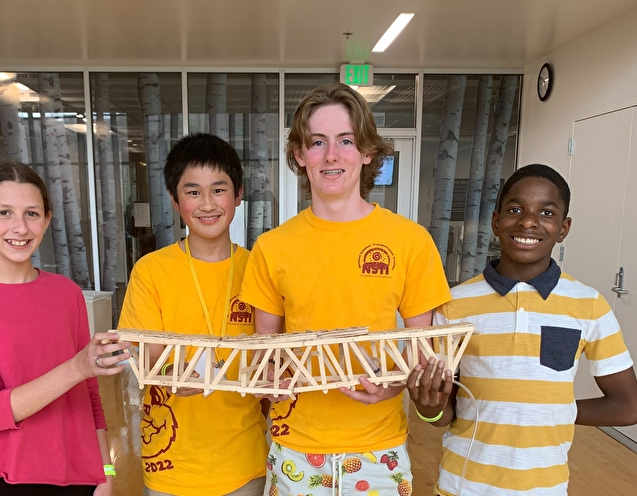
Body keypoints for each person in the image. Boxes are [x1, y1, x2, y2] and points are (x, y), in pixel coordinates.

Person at [239, 82, 452, 496]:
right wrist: (266, 378)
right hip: (295, 448)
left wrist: (395, 383)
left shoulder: (410, 241)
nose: (331, 155)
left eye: (346, 141)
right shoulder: (272, 247)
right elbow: (264, 350)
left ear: (367, 152)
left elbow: (422, 347)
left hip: (379, 450)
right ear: (300, 156)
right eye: (317, 142)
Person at [407, 163, 637, 496]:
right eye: (515, 209)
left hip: (545, 488)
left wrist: (554, 409)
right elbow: (445, 412)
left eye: (546, 212)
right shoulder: (453, 304)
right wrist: (429, 409)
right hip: (462, 486)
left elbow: (627, 406)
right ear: (496, 221)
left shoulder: (589, 305)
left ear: (563, 228)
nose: (528, 221)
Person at [0, 158, 130, 496]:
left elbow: (89, 395)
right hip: (1, 477)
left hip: (77, 473)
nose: (20, 228)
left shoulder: (65, 292)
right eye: (3, 213)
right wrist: (77, 367)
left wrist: (105, 469)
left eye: (32, 214)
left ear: (47, 219)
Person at [118, 133, 269, 496]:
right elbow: (138, 351)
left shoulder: (259, 268)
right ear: (174, 198)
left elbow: (274, 352)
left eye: (219, 189)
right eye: (193, 191)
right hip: (171, 465)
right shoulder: (151, 270)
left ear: (238, 194)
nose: (207, 204)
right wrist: (170, 372)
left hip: (244, 462)